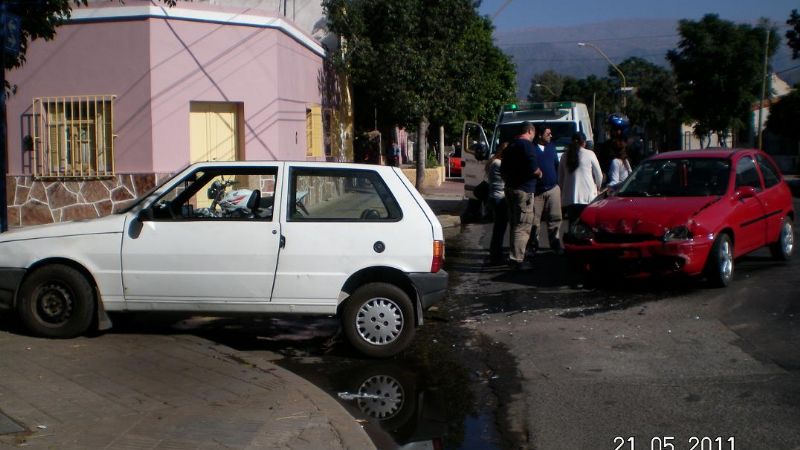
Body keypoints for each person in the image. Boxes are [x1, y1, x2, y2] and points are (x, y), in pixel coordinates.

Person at [500, 121, 542, 270]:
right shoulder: (527, 146)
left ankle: (513, 254)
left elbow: (502, 169)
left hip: (510, 188)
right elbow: (534, 168)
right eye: (534, 133)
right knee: (522, 226)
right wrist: (540, 173)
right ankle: (517, 259)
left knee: (514, 223)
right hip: (524, 190)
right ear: (530, 131)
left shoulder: (511, 146)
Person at [528, 124, 563, 257]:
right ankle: (532, 246)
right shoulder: (531, 149)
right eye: (548, 134)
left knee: (555, 218)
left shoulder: (552, 147)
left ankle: (555, 244)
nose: (551, 136)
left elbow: (556, 165)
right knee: (534, 221)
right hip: (537, 191)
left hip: (553, 189)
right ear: (539, 135)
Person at [558, 132, 602, 230]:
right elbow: (599, 175)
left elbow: (560, 178)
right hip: (587, 197)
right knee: (587, 224)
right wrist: (598, 187)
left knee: (572, 224)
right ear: (584, 142)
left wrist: (563, 192)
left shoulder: (564, 156)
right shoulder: (590, 154)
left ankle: (572, 238)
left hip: (570, 198)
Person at [486, 142, 509, 264]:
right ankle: (496, 255)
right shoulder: (499, 164)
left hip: (494, 197)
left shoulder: (493, 161)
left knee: (498, 227)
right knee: (499, 228)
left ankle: (495, 253)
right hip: (500, 198)